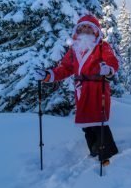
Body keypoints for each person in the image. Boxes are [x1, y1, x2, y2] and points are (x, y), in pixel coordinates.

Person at [34, 15, 119, 166]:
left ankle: (106, 153)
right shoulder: (74, 49)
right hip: (81, 90)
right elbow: (65, 68)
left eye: (89, 28)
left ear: (95, 31)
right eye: (82, 27)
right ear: (77, 30)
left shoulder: (102, 46)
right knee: (86, 123)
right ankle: (94, 150)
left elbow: (112, 61)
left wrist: (108, 69)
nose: (85, 30)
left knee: (98, 122)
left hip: (98, 88)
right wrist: (48, 75)